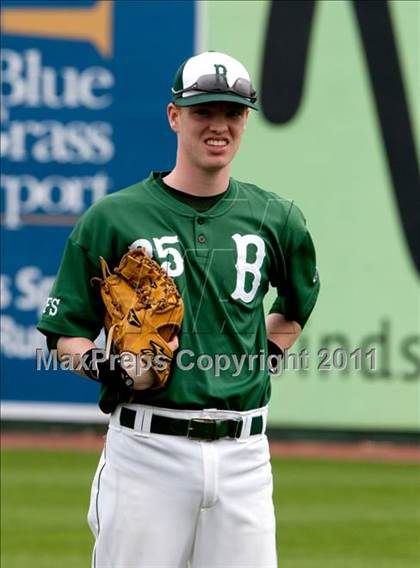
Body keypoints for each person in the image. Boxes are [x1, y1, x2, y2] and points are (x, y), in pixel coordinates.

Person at [37, 51, 320, 568]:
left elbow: (297, 306)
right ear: (175, 116)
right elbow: (64, 334)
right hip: (148, 450)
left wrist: (265, 353)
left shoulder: (277, 218)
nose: (219, 125)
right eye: (203, 111)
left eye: (232, 113)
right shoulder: (113, 218)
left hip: (244, 455)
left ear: (246, 121)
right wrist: (109, 369)